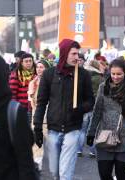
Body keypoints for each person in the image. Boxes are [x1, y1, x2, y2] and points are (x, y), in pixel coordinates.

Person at [34, 39, 94, 180]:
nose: (76, 57)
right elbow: (41, 102)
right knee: (55, 172)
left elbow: (91, 100)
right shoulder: (49, 74)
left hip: (73, 129)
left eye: (77, 54)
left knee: (65, 173)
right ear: (64, 53)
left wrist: (80, 109)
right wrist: (37, 127)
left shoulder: (83, 75)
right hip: (53, 128)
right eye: (73, 54)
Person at [87, 58, 125, 180]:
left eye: (119, 74)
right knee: (104, 174)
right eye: (113, 73)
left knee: (121, 175)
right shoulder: (103, 87)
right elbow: (97, 111)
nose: (115, 77)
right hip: (105, 137)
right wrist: (91, 133)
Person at [77, 59, 107, 157]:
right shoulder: (100, 78)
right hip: (95, 107)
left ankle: (79, 150)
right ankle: (92, 151)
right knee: (93, 129)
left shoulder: (83, 76)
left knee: (82, 130)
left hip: (84, 106)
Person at [9, 53, 36, 124]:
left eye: (30, 61)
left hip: (34, 107)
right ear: (21, 63)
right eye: (26, 61)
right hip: (22, 108)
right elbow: (12, 94)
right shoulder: (16, 75)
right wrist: (15, 109)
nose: (29, 63)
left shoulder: (36, 74)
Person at [28, 60, 51, 124]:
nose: (38, 69)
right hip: (36, 116)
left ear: (47, 68)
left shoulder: (52, 83)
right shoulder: (32, 83)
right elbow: (31, 101)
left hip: (50, 117)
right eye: (37, 67)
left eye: (41, 67)